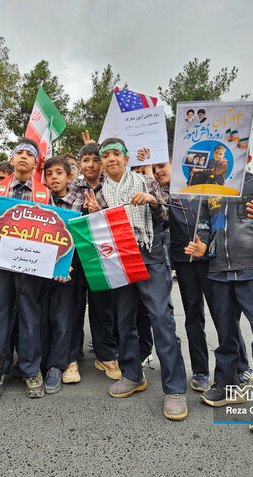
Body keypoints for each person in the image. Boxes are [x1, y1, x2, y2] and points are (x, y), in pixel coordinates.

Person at [84, 138, 189, 421]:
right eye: (105, 156)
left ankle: (175, 388)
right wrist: (96, 215)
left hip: (150, 252)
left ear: (126, 158)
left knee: (161, 318)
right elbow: (101, 229)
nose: (110, 159)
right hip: (120, 258)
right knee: (124, 317)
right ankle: (132, 375)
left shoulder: (147, 182)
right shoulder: (102, 193)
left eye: (116, 154)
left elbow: (166, 216)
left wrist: (153, 203)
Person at [185, 154, 253, 438]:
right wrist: (202, 246)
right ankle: (227, 386)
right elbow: (204, 227)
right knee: (226, 334)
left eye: (226, 156)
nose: (221, 163)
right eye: (216, 158)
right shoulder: (211, 192)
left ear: (246, 156)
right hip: (218, 271)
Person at [0, 137, 52, 400]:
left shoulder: (43, 192)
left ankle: (30, 369)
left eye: (29, 154)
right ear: (11, 158)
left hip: (30, 264)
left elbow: (51, 229)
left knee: (30, 315)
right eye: (19, 152)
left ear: (35, 162)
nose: (23, 157)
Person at [67, 142, 120, 383]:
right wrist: (83, 212)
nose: (91, 165)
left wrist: (99, 211)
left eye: (95, 160)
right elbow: (63, 215)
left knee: (103, 306)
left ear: (102, 163)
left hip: (101, 256)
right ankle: (70, 355)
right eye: (86, 160)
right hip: (75, 255)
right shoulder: (71, 186)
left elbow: (117, 218)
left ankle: (105, 354)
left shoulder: (111, 187)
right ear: (79, 165)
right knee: (73, 306)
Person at [40, 155, 84, 394]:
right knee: (41, 315)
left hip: (68, 269)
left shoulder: (79, 201)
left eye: (59, 173)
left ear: (70, 176)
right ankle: (39, 362)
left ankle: (57, 365)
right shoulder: (39, 199)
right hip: (40, 268)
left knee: (63, 315)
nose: (54, 177)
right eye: (49, 173)